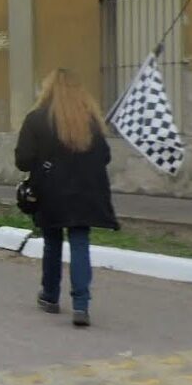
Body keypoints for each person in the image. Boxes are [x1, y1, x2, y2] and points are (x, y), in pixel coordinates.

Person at [15, 69, 118, 328]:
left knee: (52, 241)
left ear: (48, 90)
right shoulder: (91, 121)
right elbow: (105, 157)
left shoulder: (36, 119)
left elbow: (23, 160)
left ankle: (50, 296)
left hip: (50, 191)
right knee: (80, 242)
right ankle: (81, 305)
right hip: (86, 191)